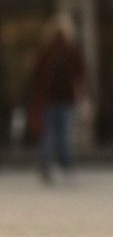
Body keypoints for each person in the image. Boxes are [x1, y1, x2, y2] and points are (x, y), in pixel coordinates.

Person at [29, 13, 88, 183]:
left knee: (50, 134)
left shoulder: (47, 50)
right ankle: (65, 166)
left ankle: (49, 165)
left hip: (51, 98)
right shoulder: (69, 50)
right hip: (63, 98)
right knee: (63, 134)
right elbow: (82, 73)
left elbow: (36, 73)